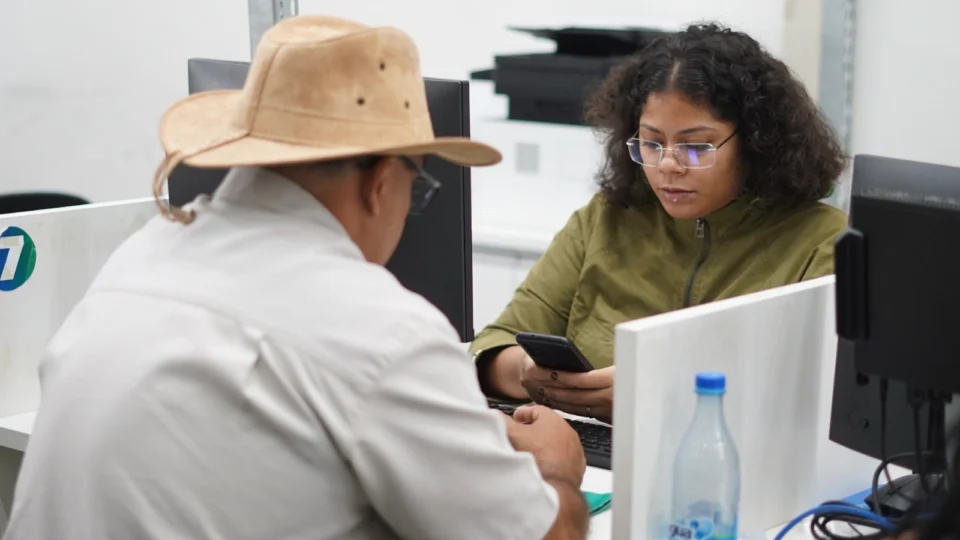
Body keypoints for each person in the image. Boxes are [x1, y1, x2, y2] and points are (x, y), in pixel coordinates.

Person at [2, 15, 589, 540]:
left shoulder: (142, 255)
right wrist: (556, 468)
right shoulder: (381, 329)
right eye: (418, 187)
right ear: (381, 181)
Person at [470, 23, 849, 423]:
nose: (668, 165)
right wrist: (528, 373)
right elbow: (493, 345)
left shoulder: (822, 242)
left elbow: (813, 401)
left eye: (695, 147)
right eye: (651, 143)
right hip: (588, 448)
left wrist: (658, 393)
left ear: (757, 142)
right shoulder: (606, 218)